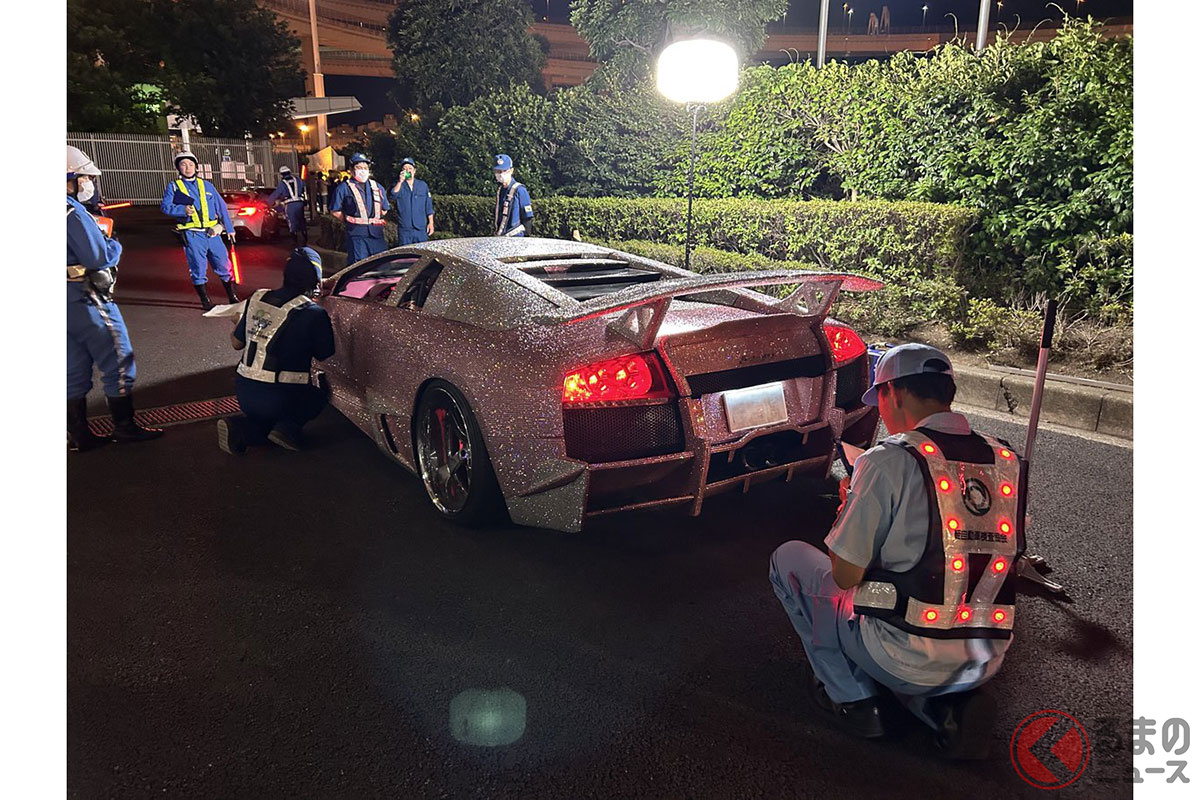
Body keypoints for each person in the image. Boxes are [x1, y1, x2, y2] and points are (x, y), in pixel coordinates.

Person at [769, 344, 1022, 759]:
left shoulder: (888, 460)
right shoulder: (1006, 459)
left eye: (880, 399)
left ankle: (853, 699)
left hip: (901, 653)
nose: (882, 412)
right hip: (986, 654)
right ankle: (941, 710)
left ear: (895, 394)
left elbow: (846, 574)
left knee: (791, 561)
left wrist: (851, 507)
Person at [67, 145, 163, 450]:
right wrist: (113, 244)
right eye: (83, 178)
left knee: (71, 365)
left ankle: (79, 435)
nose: (87, 183)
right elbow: (97, 256)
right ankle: (125, 427)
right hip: (84, 296)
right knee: (118, 355)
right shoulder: (71, 212)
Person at [218, 247, 335, 454]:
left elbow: (236, 343)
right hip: (284, 395)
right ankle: (288, 429)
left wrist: (240, 323)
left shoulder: (257, 298)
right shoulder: (313, 313)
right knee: (319, 395)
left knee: (265, 422)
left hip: (244, 391)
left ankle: (242, 429)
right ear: (316, 281)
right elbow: (324, 354)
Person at [159, 150, 239, 311]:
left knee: (224, 265)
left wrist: (229, 228)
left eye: (190, 164)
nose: (187, 167)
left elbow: (221, 207)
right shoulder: (174, 187)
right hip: (193, 235)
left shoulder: (207, 185)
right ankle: (205, 301)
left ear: (196, 167)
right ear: (178, 168)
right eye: (183, 164)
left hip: (212, 233)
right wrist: (181, 210)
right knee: (198, 268)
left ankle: (232, 296)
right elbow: (165, 207)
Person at [329, 153, 390, 263]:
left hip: (376, 234)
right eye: (359, 167)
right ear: (351, 170)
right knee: (359, 266)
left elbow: (384, 210)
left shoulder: (377, 187)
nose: (363, 171)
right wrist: (350, 221)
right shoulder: (344, 188)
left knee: (381, 265)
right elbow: (335, 210)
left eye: (365, 168)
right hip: (356, 235)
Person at [389, 157, 435, 244]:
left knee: (421, 250)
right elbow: (393, 196)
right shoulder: (398, 185)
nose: (408, 170)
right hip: (405, 229)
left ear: (414, 171)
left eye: (410, 168)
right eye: (405, 169)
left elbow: (428, 206)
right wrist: (400, 181)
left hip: (420, 228)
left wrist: (431, 223)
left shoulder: (422, 185)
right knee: (405, 252)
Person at [491, 154, 533, 237]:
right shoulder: (501, 190)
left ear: (511, 171)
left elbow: (527, 218)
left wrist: (526, 239)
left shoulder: (519, 190)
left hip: (516, 238)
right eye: (498, 171)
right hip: (501, 237)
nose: (501, 174)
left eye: (504, 171)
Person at [268, 164, 308, 247]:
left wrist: (267, 202)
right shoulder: (297, 179)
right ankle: (305, 238)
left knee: (292, 222)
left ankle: (295, 241)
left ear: (281, 174)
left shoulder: (283, 183)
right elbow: (303, 185)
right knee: (301, 220)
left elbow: (276, 194)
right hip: (299, 203)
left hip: (290, 205)